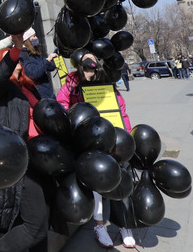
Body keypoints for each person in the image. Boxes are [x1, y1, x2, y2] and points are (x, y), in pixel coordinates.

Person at [0, 35, 62, 252]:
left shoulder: (28, 89)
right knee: (35, 226)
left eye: (17, 60)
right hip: (21, 162)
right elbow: (0, 76)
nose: (16, 63)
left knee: (42, 219)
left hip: (42, 159)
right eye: (8, 61)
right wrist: (16, 48)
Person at [56, 52, 137, 249]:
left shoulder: (105, 81)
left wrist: (126, 132)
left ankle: (124, 225)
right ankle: (99, 225)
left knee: (119, 179)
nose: (89, 63)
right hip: (87, 139)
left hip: (111, 136)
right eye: (85, 61)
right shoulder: (72, 82)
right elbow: (62, 102)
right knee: (97, 183)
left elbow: (119, 107)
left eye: (92, 61)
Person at [19, 27, 58, 101]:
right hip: (39, 96)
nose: (36, 38)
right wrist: (47, 61)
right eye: (33, 36)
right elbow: (33, 73)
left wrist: (55, 56)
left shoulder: (35, 53)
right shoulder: (23, 55)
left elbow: (50, 67)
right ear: (27, 40)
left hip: (48, 94)